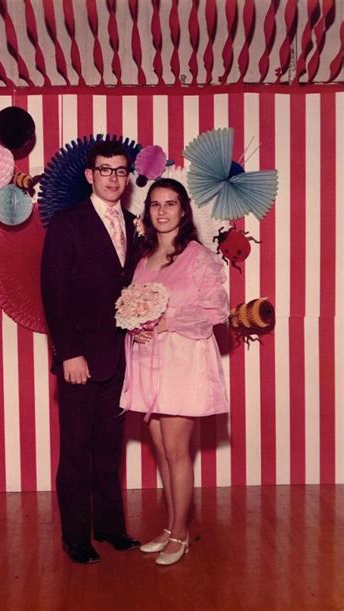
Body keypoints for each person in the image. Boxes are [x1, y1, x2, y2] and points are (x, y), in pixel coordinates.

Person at [41, 140, 141, 564]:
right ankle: (76, 537)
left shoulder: (137, 224)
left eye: (121, 171)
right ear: (89, 176)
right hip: (80, 358)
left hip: (122, 358)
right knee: (77, 448)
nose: (114, 178)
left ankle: (112, 527)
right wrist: (69, 353)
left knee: (109, 447)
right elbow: (54, 292)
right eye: (105, 170)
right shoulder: (68, 224)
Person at [120, 177, 229, 566]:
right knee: (163, 452)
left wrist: (168, 322)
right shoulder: (144, 260)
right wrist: (138, 328)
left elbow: (216, 310)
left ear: (183, 211)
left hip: (184, 362)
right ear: (148, 212)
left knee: (178, 451)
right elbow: (135, 309)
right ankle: (169, 527)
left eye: (170, 204)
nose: (162, 212)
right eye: (155, 205)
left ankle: (181, 535)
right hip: (150, 365)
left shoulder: (199, 257)